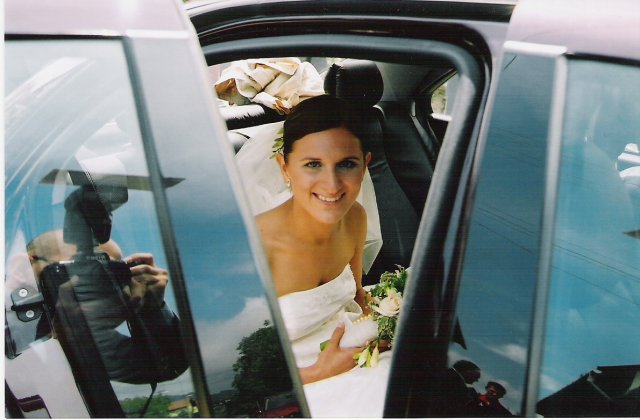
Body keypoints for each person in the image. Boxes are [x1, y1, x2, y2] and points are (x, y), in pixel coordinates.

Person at [237, 95, 390, 417]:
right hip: (288, 388)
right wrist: (319, 371)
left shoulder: (355, 217)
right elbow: (233, 372)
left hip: (354, 350)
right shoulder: (251, 247)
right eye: (313, 164)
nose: (332, 185)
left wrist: (383, 325)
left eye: (347, 164)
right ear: (284, 167)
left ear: (365, 164)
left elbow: (357, 296)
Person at [26, 229, 188, 384]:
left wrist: (151, 309)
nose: (99, 277)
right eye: (83, 265)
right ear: (28, 264)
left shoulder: (86, 336)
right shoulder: (16, 326)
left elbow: (167, 367)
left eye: (111, 268)